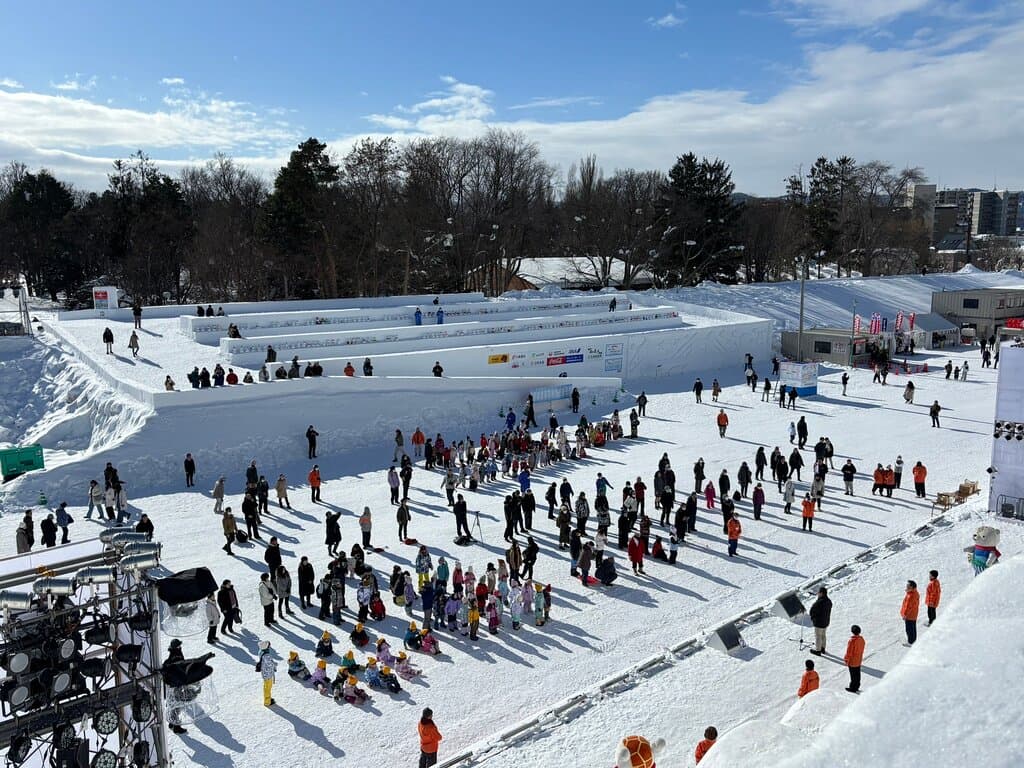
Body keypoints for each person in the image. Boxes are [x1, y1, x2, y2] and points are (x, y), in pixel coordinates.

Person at [809, 586, 832, 655]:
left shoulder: (819, 602)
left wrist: (813, 619)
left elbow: (812, 611)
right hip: (826, 622)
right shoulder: (829, 601)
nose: (817, 594)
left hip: (819, 623)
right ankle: (823, 648)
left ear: (821, 593)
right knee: (823, 635)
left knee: (818, 636)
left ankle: (818, 651)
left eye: (818, 593)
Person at [844, 625, 865, 692]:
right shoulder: (861, 639)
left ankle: (853, 688)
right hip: (859, 659)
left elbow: (849, 652)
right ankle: (857, 686)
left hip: (852, 661)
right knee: (857, 674)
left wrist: (846, 659)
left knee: (853, 675)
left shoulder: (852, 641)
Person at [257, 640, 276, 707]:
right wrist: (274, 664)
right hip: (268, 673)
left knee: (266, 686)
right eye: (268, 646)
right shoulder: (266, 655)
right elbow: (270, 664)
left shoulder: (261, 652)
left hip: (265, 672)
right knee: (268, 687)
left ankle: (268, 698)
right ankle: (267, 701)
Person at [901, 579, 920, 645]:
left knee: (909, 629)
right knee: (913, 628)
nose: (906, 586)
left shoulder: (911, 596)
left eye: (908, 585)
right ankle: (913, 640)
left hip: (909, 615)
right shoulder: (915, 593)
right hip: (913, 614)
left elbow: (908, 607)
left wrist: (905, 615)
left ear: (911, 587)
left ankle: (910, 642)